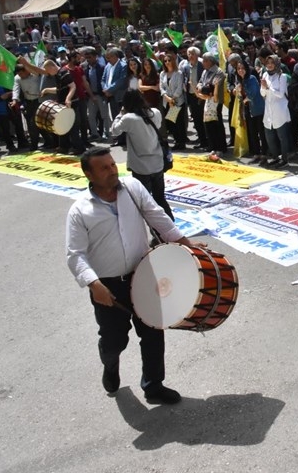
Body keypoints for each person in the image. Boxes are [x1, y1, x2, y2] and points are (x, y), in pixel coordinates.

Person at [66, 147, 194, 403]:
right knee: (114, 341)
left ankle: (153, 386)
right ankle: (110, 365)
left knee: (153, 334)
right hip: (108, 288)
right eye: (104, 168)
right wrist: (93, 284)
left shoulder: (133, 188)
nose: (112, 170)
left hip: (144, 275)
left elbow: (157, 217)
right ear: (88, 174)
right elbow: (75, 254)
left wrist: (186, 245)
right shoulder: (80, 211)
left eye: (113, 164)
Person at [110, 89, 174, 221]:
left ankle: (155, 231)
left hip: (140, 167)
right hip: (157, 164)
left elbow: (114, 131)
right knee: (160, 198)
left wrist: (120, 114)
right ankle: (169, 227)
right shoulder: (155, 113)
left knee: (144, 203)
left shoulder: (128, 118)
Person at [260, 54, 292, 167]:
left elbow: (280, 94)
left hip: (280, 110)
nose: (269, 65)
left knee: (282, 137)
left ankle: (284, 159)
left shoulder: (281, 76)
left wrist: (268, 88)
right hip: (268, 109)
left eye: (272, 63)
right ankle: (275, 156)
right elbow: (262, 93)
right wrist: (264, 88)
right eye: (267, 63)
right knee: (269, 136)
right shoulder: (264, 74)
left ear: (276, 64)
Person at [196, 53, 227, 155]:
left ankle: (221, 148)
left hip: (216, 101)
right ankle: (212, 146)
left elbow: (211, 87)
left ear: (210, 61)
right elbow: (200, 83)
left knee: (216, 124)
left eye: (204, 61)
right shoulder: (205, 71)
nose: (203, 63)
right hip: (207, 100)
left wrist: (203, 88)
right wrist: (201, 87)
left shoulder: (219, 72)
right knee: (208, 124)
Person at [159, 53, 187, 150]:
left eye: (169, 60)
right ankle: (176, 140)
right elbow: (161, 87)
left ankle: (181, 142)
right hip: (167, 101)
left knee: (179, 123)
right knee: (171, 122)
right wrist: (167, 98)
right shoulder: (163, 74)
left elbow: (179, 88)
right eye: (165, 61)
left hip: (177, 101)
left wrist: (173, 99)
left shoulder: (178, 73)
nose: (167, 62)